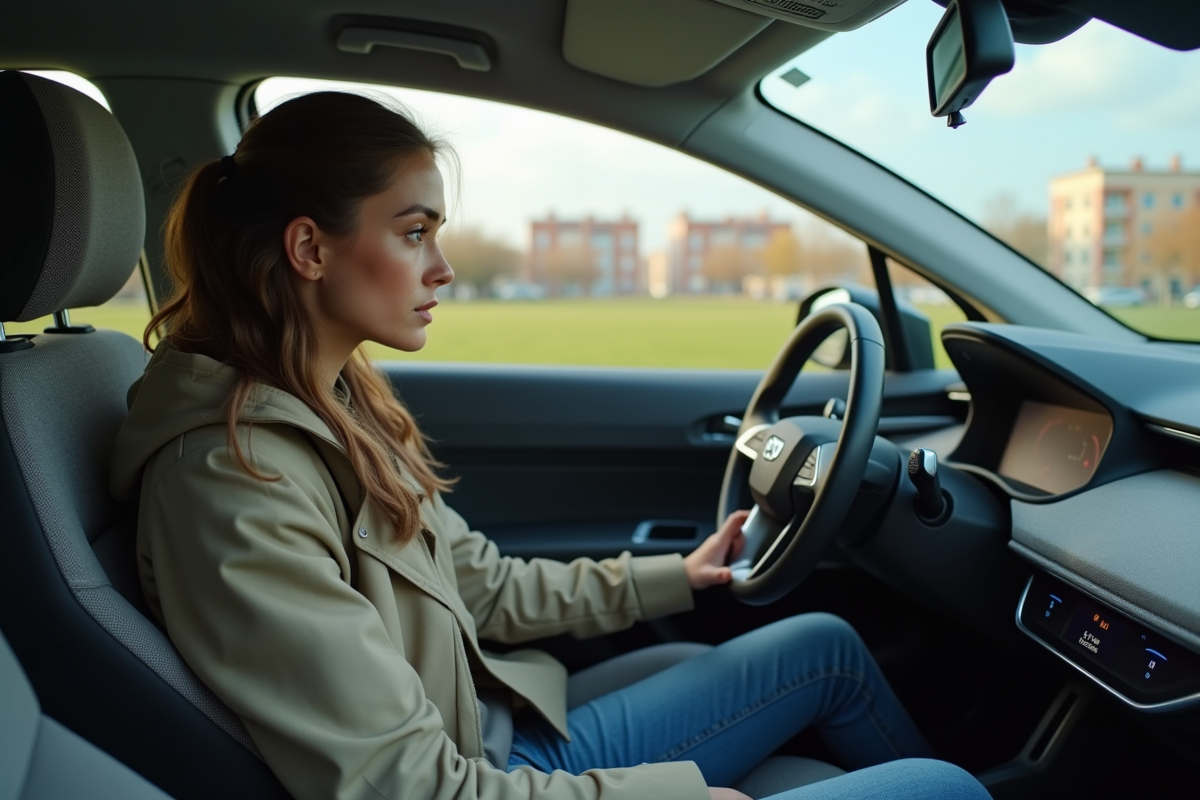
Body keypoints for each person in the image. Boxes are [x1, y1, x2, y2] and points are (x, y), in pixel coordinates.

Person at [110, 91, 990, 800]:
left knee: (824, 644)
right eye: (415, 232)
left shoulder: (329, 406)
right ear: (308, 247)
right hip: (486, 773)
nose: (444, 267)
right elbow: (406, 788)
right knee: (939, 786)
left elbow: (479, 587)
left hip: (492, 724)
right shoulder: (234, 477)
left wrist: (676, 576)